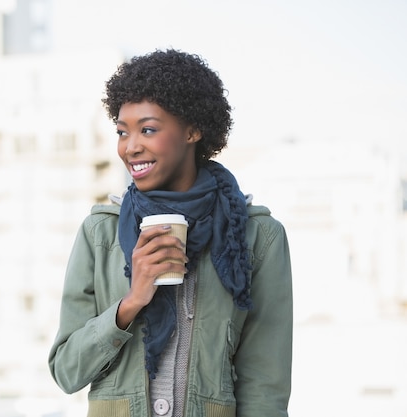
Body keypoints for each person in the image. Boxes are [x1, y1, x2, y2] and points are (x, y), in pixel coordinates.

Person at [48, 49, 292, 417]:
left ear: (193, 130)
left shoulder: (258, 238)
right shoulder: (100, 234)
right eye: (121, 131)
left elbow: (265, 389)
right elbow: (67, 371)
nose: (130, 147)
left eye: (148, 129)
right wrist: (130, 303)